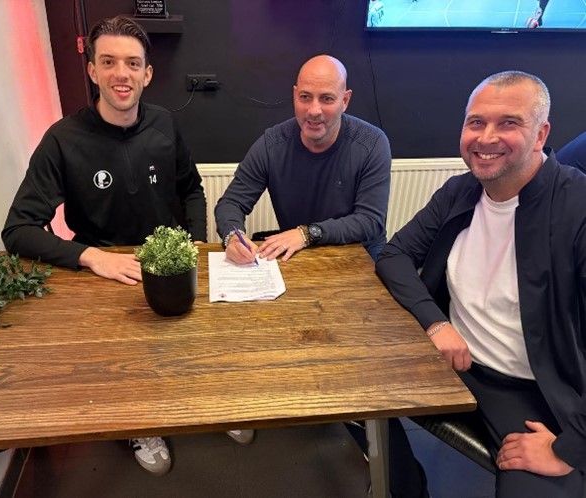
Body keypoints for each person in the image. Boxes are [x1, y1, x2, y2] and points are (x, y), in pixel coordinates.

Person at [2, 15, 251, 476]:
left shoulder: (164, 124)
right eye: (109, 62)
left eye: (133, 63)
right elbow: (18, 230)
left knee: (197, 346)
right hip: (106, 273)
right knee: (130, 367)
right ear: (92, 70)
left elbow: (191, 189)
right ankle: (141, 423)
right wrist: (90, 257)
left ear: (147, 74)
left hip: (170, 263)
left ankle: (214, 405)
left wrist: (196, 245)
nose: (122, 73)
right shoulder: (62, 140)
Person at [376, 70, 586, 497]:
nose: (486, 137)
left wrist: (571, 447)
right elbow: (394, 256)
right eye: (476, 122)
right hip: (452, 362)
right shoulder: (460, 191)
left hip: (532, 391)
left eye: (508, 123)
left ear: (541, 134)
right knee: (339, 390)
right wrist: (435, 323)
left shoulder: (576, 207)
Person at [215, 54, 391, 264]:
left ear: (345, 101)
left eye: (327, 98)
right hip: (302, 256)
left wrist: (307, 233)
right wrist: (233, 237)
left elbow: (370, 221)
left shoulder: (372, 143)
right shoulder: (272, 144)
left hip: (360, 255)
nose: (314, 111)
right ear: (294, 95)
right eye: (305, 97)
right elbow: (231, 203)